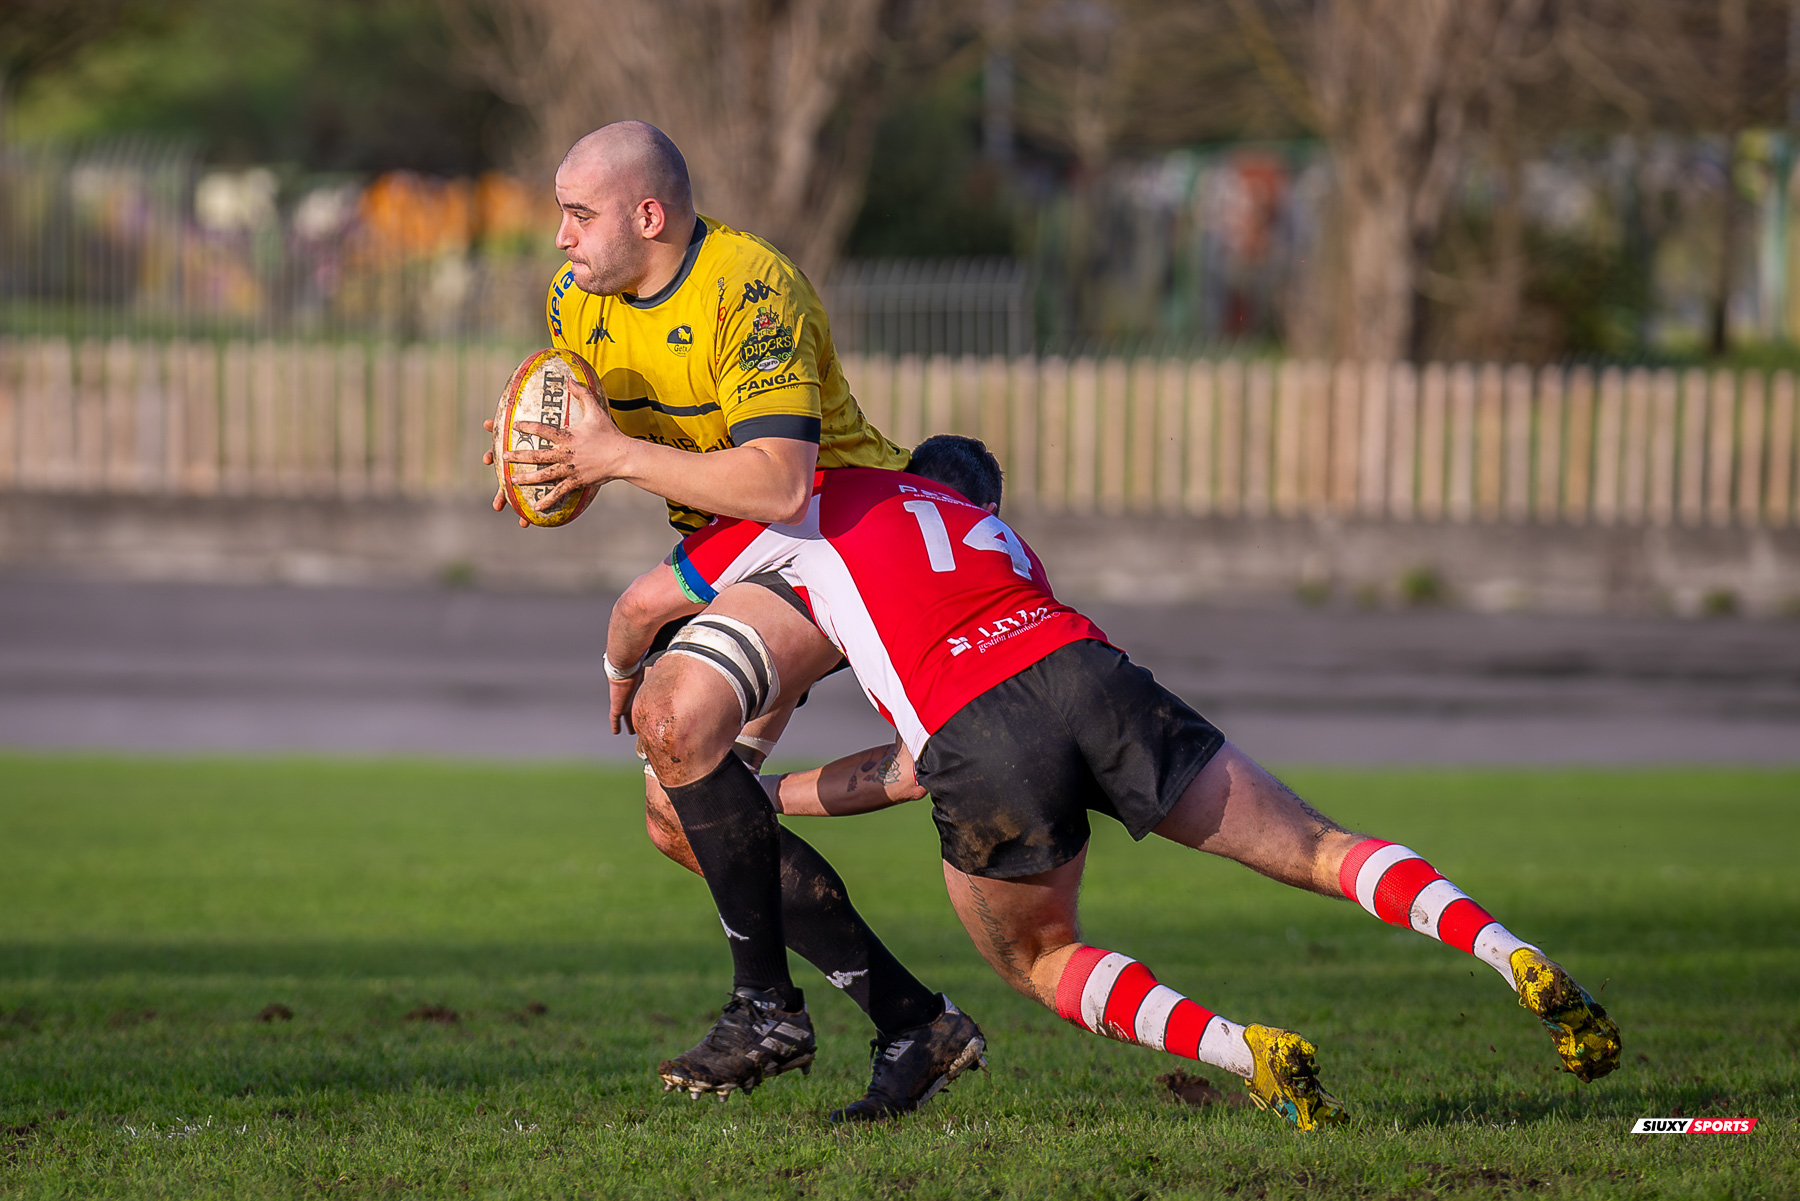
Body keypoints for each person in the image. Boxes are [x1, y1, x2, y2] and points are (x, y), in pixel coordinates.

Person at [608, 436, 1624, 1130]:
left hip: (978, 728)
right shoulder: (1001, 538)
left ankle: (1245, 1052)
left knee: (1043, 958)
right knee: (1320, 845)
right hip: (1089, 670)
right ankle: (1512, 951)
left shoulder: (813, 495)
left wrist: (665, 710)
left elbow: (648, 603)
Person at [478, 121, 984, 1119]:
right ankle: (912, 1020)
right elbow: (575, 416)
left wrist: (612, 461)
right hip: (737, 552)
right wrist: (532, 447)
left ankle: (766, 1009)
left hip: (841, 530)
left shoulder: (751, 290)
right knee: (681, 816)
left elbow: (781, 481)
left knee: (675, 710)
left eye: (577, 214)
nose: (560, 237)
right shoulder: (575, 300)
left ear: (649, 215)